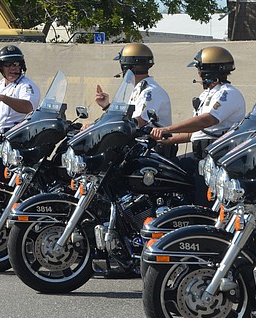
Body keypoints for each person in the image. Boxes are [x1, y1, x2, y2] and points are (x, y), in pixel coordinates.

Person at [150, 46, 246, 204]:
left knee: (203, 201)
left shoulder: (228, 93)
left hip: (214, 160)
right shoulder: (208, 94)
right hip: (199, 155)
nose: (198, 75)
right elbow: (197, 132)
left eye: (199, 71)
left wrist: (166, 129)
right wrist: (168, 140)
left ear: (208, 72)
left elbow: (206, 121)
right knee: (165, 172)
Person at [95, 43, 172, 128]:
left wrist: (101, 126)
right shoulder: (136, 89)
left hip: (149, 140)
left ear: (126, 67)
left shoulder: (150, 91)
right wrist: (107, 106)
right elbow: (124, 117)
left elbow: (139, 121)